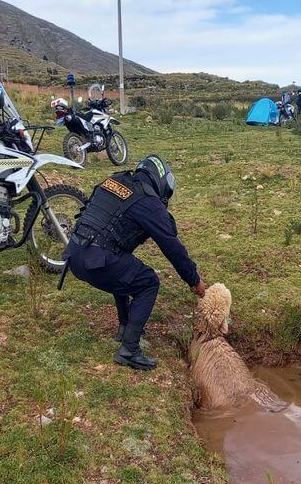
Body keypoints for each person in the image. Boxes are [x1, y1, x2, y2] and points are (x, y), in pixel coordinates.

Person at [64, 155, 205, 371]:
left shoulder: (114, 180)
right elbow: (172, 246)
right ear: (160, 181)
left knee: (123, 267)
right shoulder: (148, 201)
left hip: (74, 254)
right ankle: (129, 349)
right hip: (98, 259)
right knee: (148, 282)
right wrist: (194, 280)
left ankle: (124, 326)